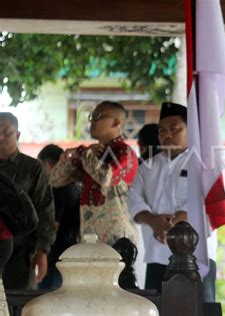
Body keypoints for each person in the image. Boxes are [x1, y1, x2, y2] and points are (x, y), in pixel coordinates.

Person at [128, 102, 218, 301]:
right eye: (162, 131)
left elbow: (207, 201)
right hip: (158, 253)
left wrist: (174, 222)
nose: (166, 135)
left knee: (199, 310)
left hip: (197, 255)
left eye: (174, 129)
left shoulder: (203, 163)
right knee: (156, 308)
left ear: (189, 131)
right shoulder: (147, 166)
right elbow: (134, 199)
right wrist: (153, 221)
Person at [49, 101, 138, 246]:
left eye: (98, 116)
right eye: (91, 116)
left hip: (117, 238)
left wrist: (84, 153)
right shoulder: (91, 154)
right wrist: (68, 158)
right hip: (88, 237)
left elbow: (105, 177)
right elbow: (55, 180)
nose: (92, 121)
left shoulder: (125, 153)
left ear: (116, 123)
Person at [0, 112, 56, 289]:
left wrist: (42, 251)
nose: (0, 138)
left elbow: (45, 209)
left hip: (23, 250)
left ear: (17, 135)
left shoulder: (33, 168)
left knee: (20, 304)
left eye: (6, 133)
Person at [37, 144, 80, 289]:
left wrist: (41, 251)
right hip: (71, 249)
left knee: (47, 299)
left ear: (47, 165)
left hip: (56, 253)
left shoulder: (56, 188)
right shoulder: (74, 186)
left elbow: (53, 224)